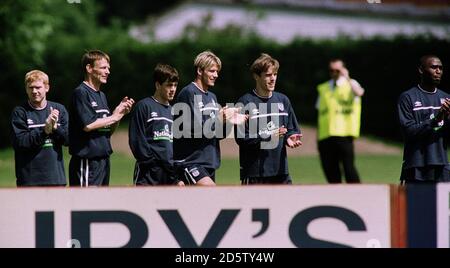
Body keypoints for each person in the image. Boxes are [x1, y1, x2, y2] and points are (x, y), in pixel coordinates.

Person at [173, 50, 245, 186]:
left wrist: (229, 121)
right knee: (213, 193)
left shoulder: (212, 97)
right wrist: (219, 118)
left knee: (202, 205)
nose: (216, 75)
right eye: (212, 71)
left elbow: (216, 134)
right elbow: (193, 129)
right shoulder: (188, 93)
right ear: (200, 71)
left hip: (209, 162)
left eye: (217, 72)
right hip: (190, 161)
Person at [69, 50, 134, 187]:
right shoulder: (81, 93)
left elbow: (107, 131)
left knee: (100, 206)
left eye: (108, 68)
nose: (108, 72)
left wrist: (119, 114)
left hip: (104, 161)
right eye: (103, 68)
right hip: (87, 161)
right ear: (89, 68)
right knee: (86, 205)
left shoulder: (101, 95)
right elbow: (88, 125)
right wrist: (113, 116)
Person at [234, 53, 302, 184]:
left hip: (281, 172)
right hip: (255, 173)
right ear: (256, 76)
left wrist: (290, 137)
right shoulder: (244, 102)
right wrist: (268, 134)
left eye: (275, 74)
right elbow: (242, 139)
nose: (273, 79)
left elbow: (291, 129)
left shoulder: (283, 100)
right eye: (268, 75)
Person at [129, 64, 184, 186]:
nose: (173, 89)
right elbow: (137, 140)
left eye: (175, 85)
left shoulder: (175, 112)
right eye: (169, 85)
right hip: (148, 174)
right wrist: (151, 164)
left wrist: (176, 175)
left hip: (170, 175)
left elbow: (176, 146)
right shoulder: (144, 106)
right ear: (158, 85)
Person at [11, 70, 68, 186]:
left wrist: (56, 128)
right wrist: (44, 130)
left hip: (56, 179)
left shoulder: (59, 109)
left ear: (47, 88)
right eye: (30, 88)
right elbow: (20, 143)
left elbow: (68, 140)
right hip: (29, 181)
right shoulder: (20, 112)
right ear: (26, 89)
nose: (34, 91)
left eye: (38, 87)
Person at [398, 55, 450, 183]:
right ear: (421, 70)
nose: (438, 71)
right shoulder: (407, 97)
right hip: (416, 166)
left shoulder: (446, 98)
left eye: (440, 68)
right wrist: (436, 119)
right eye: (433, 67)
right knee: (417, 203)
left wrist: (447, 119)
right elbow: (409, 132)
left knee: (441, 204)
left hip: (441, 165)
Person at [316, 59, 365, 184]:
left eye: (337, 70)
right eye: (331, 70)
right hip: (326, 135)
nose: (334, 73)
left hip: (344, 134)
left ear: (343, 70)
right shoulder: (324, 88)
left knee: (349, 169)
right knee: (330, 170)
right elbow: (319, 110)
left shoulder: (350, 83)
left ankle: (358, 194)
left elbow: (360, 92)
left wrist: (347, 77)